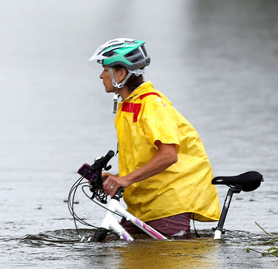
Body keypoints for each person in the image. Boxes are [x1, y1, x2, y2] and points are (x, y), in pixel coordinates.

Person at [90, 38, 220, 238]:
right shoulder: (128, 106)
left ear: (121, 73)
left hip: (169, 202)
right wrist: (115, 177)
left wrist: (125, 179)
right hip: (145, 203)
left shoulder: (152, 105)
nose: (101, 76)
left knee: (162, 259)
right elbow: (143, 156)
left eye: (105, 70)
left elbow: (169, 156)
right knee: (124, 255)